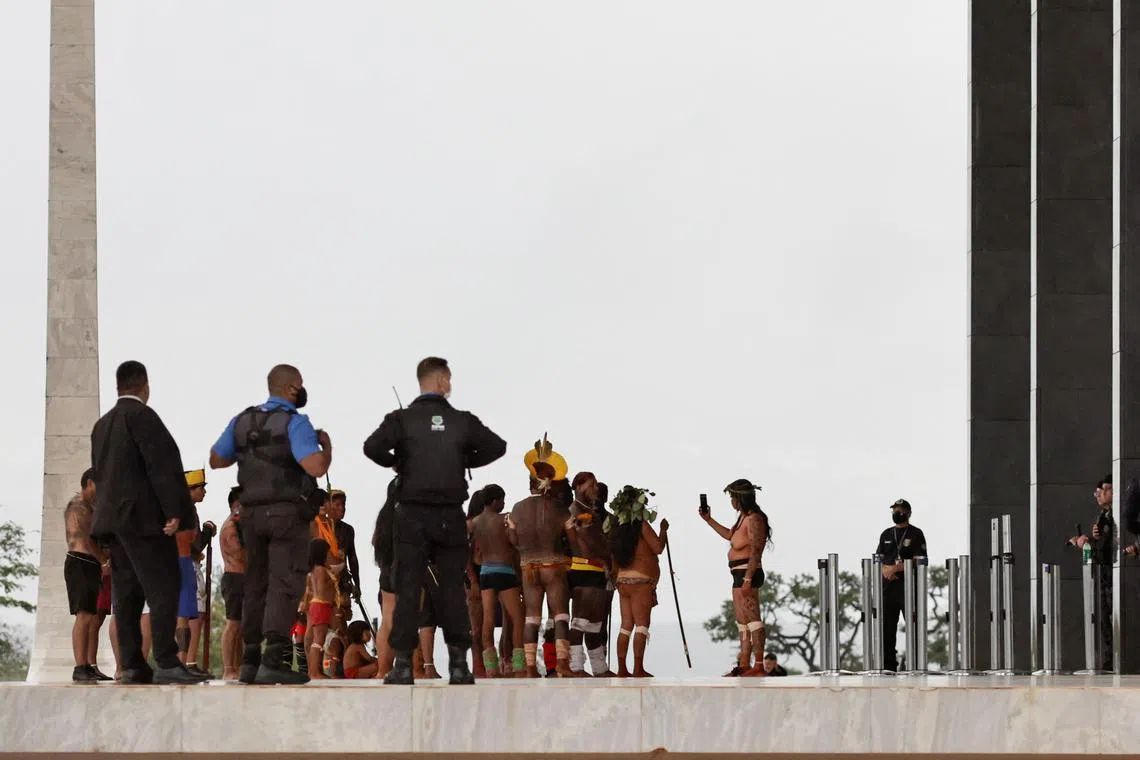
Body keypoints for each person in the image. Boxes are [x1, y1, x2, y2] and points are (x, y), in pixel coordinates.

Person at [363, 357, 507, 685]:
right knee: (452, 589)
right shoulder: (460, 421)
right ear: (441, 380)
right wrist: (463, 458)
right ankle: (458, 665)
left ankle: (402, 666)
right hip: (448, 514)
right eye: (449, 379)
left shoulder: (401, 420)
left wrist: (398, 462)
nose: (450, 385)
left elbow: (371, 448)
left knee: (408, 587)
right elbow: (497, 447)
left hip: (411, 514)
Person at [209, 363, 332, 685]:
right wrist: (327, 448)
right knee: (285, 583)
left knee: (255, 583)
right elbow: (315, 467)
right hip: (285, 516)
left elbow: (217, 459)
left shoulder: (243, 420)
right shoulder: (295, 423)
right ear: (292, 388)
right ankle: (273, 659)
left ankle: (249, 660)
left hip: (250, 515)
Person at [89, 360, 207, 684]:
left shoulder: (102, 425)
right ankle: (167, 661)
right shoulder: (142, 417)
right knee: (163, 585)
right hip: (142, 520)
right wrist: (176, 512)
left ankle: (131, 664)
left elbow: (101, 475)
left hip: (113, 522)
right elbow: (163, 465)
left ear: (118, 386)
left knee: (126, 593)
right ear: (145, 387)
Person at [508, 437, 576, 677]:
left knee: (531, 618)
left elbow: (513, 539)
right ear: (550, 483)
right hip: (554, 566)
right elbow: (574, 542)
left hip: (528, 567)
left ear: (531, 484)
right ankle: (563, 665)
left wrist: (526, 549)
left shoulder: (517, 509)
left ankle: (529, 668)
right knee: (560, 615)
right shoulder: (560, 510)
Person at [699, 478, 772, 677]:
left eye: (732, 497)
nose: (731, 501)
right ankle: (744, 663)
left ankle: (758, 664)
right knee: (742, 621)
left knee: (753, 618)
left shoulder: (755, 519)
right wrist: (709, 520)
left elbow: (756, 550)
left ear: (740, 498)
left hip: (748, 572)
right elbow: (730, 536)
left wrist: (748, 579)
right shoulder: (742, 518)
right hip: (737, 573)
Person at [606, 486, 667, 678]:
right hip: (641, 582)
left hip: (623, 582)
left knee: (626, 625)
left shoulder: (616, 527)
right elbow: (657, 548)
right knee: (641, 625)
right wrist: (663, 530)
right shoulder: (640, 525)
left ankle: (622, 668)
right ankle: (638, 668)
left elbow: (612, 557)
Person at [471, 484, 526, 677]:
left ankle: (491, 668)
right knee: (517, 617)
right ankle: (519, 665)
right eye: (501, 500)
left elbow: (472, 553)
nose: (503, 503)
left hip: (486, 572)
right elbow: (515, 542)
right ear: (495, 501)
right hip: (505, 571)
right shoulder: (505, 519)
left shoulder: (474, 522)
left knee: (487, 620)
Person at [566, 472, 616, 677]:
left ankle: (599, 668)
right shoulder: (575, 509)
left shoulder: (588, 510)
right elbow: (582, 540)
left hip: (597, 570)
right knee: (580, 621)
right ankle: (576, 666)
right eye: (591, 485)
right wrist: (601, 558)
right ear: (578, 486)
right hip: (585, 569)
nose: (596, 488)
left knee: (595, 623)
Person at [63, 468, 111, 681]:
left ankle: (87, 665)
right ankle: (79, 665)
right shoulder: (77, 507)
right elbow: (87, 538)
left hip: (91, 564)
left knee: (91, 616)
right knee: (83, 615)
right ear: (90, 483)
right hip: (80, 562)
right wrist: (103, 559)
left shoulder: (92, 507)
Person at [875, 498, 928, 672]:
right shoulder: (886, 534)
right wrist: (886, 571)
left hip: (909, 587)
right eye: (894, 511)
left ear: (908, 513)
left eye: (900, 511)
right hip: (889, 587)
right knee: (887, 628)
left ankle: (915, 665)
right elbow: (878, 559)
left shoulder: (916, 533)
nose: (897, 514)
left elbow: (920, 560)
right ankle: (888, 666)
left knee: (913, 626)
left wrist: (896, 568)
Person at [1068, 474, 1114, 670]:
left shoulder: (1117, 516)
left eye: (1104, 490)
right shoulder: (1103, 517)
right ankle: (1110, 658)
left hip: (1113, 574)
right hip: (1104, 575)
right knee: (1105, 618)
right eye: (1097, 492)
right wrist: (1087, 541)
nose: (1099, 495)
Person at [174, 470, 204, 672]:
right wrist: (208, 534)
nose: (203, 492)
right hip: (182, 562)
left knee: (186, 616)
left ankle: (182, 662)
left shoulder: (185, 509)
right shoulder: (185, 510)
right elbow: (194, 543)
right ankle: (180, 663)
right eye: (200, 487)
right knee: (183, 617)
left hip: (181, 562)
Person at [371, 477, 399, 678]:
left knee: (387, 621)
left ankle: (383, 669)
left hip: (386, 571)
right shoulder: (407, 512)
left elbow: (376, 542)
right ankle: (406, 667)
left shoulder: (384, 515)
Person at [219, 487, 246, 680]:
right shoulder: (230, 527)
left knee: (243, 628)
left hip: (244, 579)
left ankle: (238, 666)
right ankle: (228, 667)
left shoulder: (241, 526)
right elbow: (240, 554)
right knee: (233, 625)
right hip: (234, 578)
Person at [303, 538, 338, 680]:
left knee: (317, 639)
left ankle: (315, 671)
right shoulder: (321, 570)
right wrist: (333, 580)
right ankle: (314, 672)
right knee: (318, 639)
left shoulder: (314, 569)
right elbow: (322, 589)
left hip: (316, 604)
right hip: (322, 604)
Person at [465, 488, 488, 678]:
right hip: (474, 578)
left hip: (485, 575)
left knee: (483, 625)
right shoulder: (470, 525)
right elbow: (465, 556)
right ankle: (477, 665)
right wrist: (472, 580)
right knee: (477, 627)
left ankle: (485, 664)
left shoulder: (481, 524)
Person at [328, 490, 361, 604]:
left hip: (343, 582)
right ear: (329, 506)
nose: (342, 508)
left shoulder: (348, 530)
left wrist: (357, 584)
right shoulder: (321, 528)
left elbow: (352, 558)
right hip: (325, 582)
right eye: (337, 504)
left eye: (343, 504)